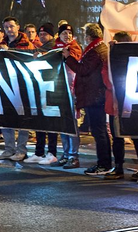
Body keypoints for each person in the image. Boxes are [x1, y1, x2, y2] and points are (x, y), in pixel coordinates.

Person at [63, 23, 112, 175]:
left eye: (85, 35)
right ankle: (105, 163)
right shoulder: (99, 48)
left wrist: (68, 58)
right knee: (100, 130)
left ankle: (104, 164)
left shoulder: (95, 50)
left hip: (94, 95)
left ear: (89, 36)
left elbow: (83, 69)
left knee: (99, 131)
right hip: (95, 94)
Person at [103, 31, 138, 180]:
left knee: (131, 137)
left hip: (125, 102)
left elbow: (107, 78)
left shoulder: (132, 57)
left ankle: (127, 168)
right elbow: (107, 78)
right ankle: (134, 167)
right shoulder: (112, 58)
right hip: (121, 102)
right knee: (125, 137)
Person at [0, 16, 34, 162]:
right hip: (5, 84)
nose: (9, 29)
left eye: (11, 26)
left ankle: (21, 150)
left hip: (22, 86)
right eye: (6, 27)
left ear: (18, 27)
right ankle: (9, 149)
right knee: (6, 119)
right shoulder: (1, 45)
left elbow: (26, 59)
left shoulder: (27, 44)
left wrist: (9, 51)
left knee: (23, 119)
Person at [25, 23, 60, 165]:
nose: (42, 36)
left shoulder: (54, 49)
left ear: (51, 35)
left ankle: (52, 153)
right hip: (40, 89)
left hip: (51, 89)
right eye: (40, 34)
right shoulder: (40, 49)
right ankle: (39, 152)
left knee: (50, 123)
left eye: (45, 34)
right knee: (39, 121)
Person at [54, 23, 83, 169]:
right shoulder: (55, 49)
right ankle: (65, 154)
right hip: (59, 90)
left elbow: (77, 65)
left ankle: (73, 155)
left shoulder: (75, 48)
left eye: (69, 33)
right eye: (64, 33)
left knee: (72, 124)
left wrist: (68, 56)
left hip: (71, 90)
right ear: (59, 35)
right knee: (63, 124)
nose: (67, 35)